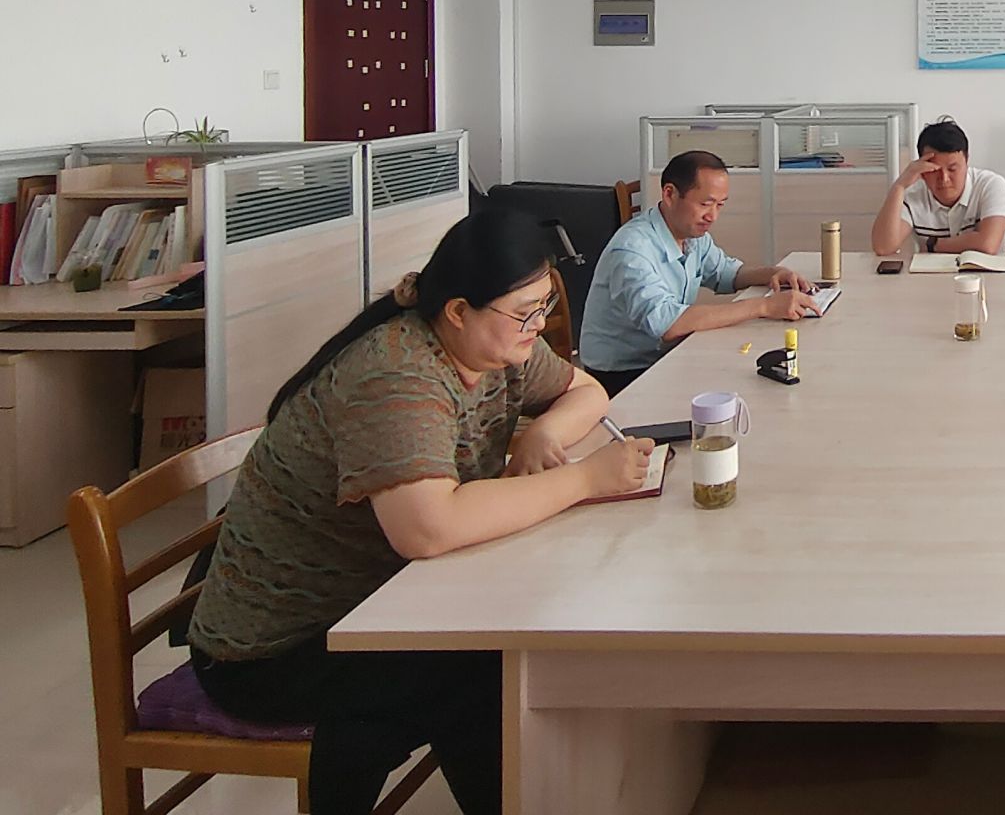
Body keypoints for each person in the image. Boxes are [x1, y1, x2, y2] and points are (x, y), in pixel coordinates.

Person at [186, 209, 654, 815]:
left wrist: (544, 434)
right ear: (458, 310)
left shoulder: (498, 345)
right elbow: (428, 529)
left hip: (377, 605)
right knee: (486, 668)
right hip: (275, 648)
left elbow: (587, 390)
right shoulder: (397, 374)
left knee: (516, 630)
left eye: (544, 306)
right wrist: (585, 479)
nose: (539, 325)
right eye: (526, 311)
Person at [580, 149, 817, 395]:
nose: (712, 216)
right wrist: (765, 306)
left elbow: (726, 273)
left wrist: (773, 273)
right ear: (670, 194)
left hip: (666, 355)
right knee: (740, 387)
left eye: (720, 205)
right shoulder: (632, 250)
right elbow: (667, 323)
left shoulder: (692, 235)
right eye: (705, 204)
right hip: (623, 375)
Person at [871, 118, 1005, 258]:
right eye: (934, 170)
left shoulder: (991, 185)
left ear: (966, 161)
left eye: (952, 169)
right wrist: (899, 186)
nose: (944, 179)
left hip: (985, 272)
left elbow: (988, 244)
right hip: (930, 272)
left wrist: (932, 245)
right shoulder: (912, 192)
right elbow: (883, 247)